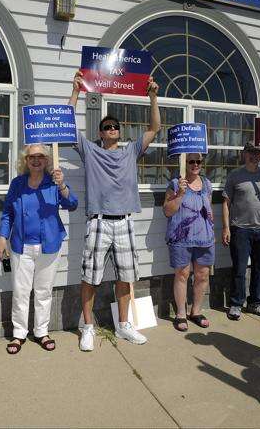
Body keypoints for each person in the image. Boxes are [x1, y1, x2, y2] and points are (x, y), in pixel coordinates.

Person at [68, 70, 160, 351]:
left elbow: (155, 128)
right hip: (98, 221)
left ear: (119, 131)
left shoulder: (131, 150)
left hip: (125, 222)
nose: (111, 129)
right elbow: (66, 125)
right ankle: (87, 327)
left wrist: (153, 97)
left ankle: (124, 325)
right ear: (100, 132)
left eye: (115, 126)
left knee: (125, 276)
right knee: (90, 278)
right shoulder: (90, 150)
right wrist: (76, 91)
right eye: (106, 127)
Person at [0, 143, 78, 354]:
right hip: (21, 246)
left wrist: (62, 185)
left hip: (49, 245)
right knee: (21, 292)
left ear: (47, 160)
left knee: (43, 291)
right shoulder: (17, 184)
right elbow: (8, 212)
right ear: (25, 160)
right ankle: (19, 333)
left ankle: (41, 331)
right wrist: (2, 237)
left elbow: (72, 204)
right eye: (31, 156)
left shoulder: (54, 182)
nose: (36, 160)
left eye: (40, 156)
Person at [222, 142, 260, 321]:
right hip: (240, 229)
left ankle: (255, 302)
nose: (255, 156)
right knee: (239, 269)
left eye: (258, 153)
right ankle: (236, 303)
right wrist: (226, 227)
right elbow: (226, 203)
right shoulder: (235, 175)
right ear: (244, 154)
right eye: (251, 153)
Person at [162, 153, 214, 331]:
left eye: (198, 161)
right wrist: (180, 194)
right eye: (191, 161)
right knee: (182, 275)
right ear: (184, 163)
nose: (195, 164)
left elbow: (208, 209)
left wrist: (211, 227)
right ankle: (181, 314)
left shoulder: (207, 184)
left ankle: (196, 312)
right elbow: (167, 211)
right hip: (181, 237)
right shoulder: (175, 184)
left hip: (204, 237)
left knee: (202, 275)